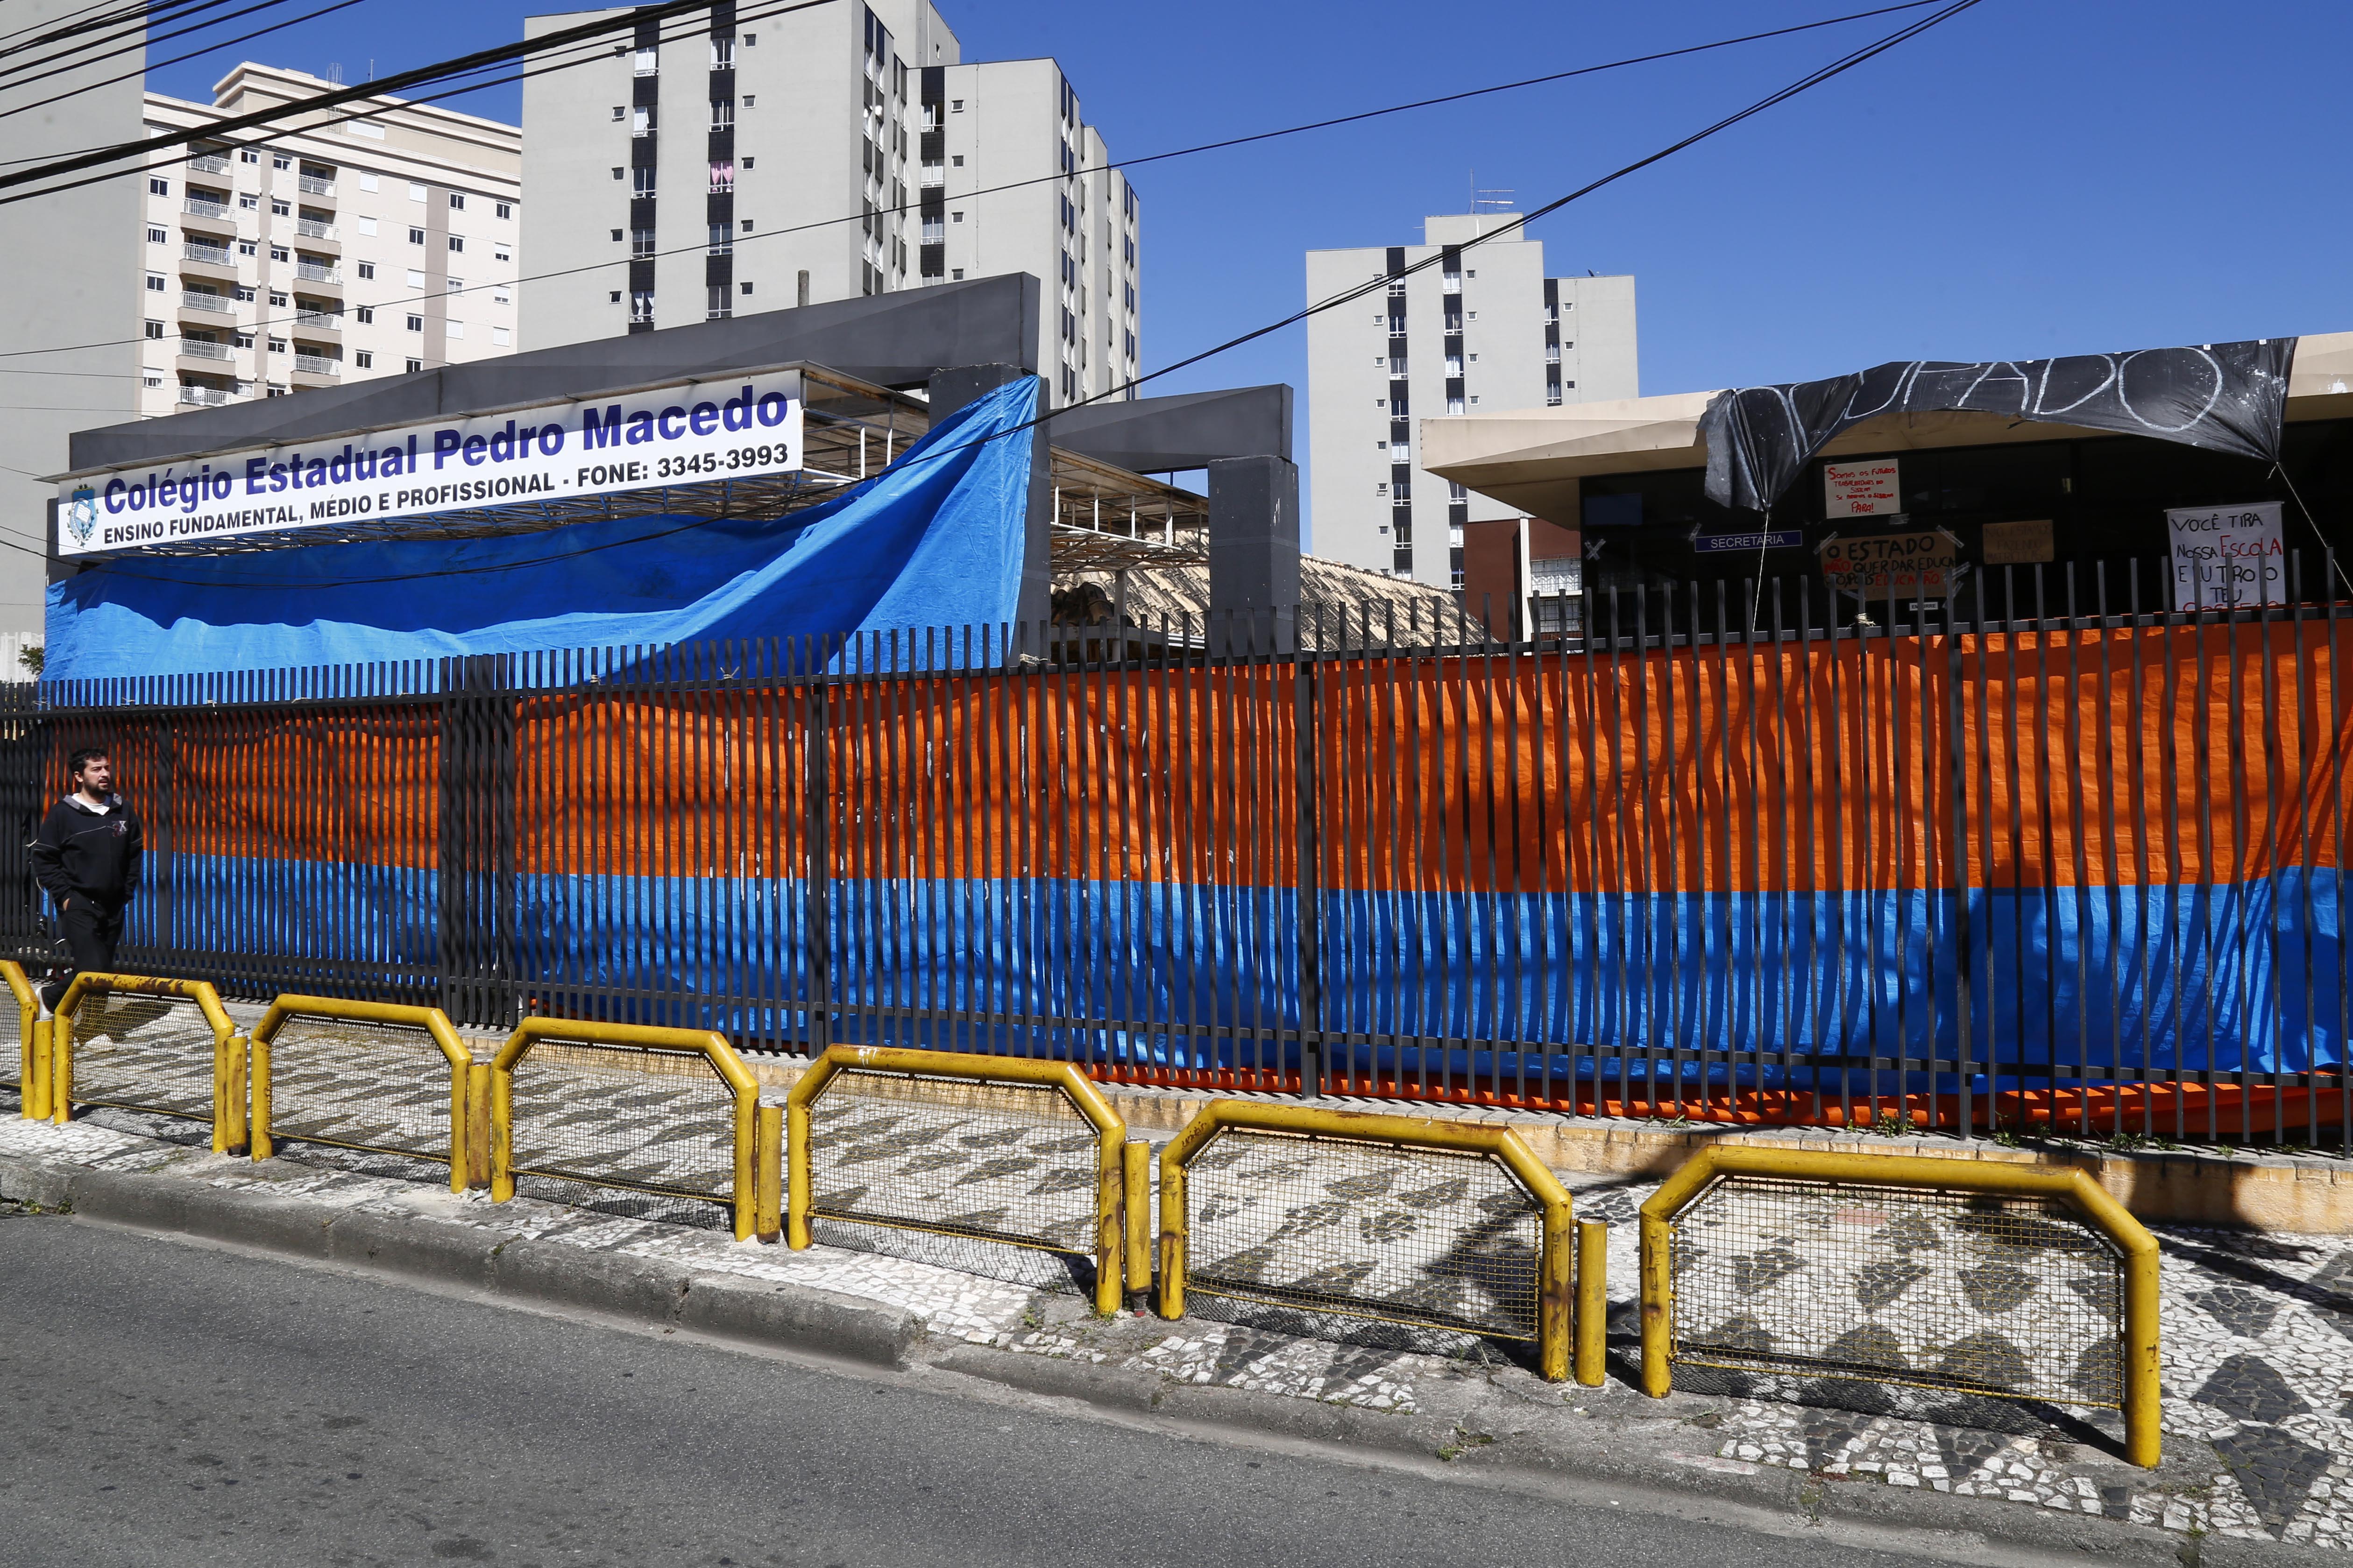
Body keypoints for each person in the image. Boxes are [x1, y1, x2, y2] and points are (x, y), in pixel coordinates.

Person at [28, 746, 143, 1017]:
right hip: (79, 904)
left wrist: (126, 892)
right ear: (79, 776)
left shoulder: (122, 810)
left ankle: (92, 1028)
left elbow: (134, 854)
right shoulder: (63, 814)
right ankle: (50, 996)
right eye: (96, 769)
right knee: (93, 968)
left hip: (114, 904)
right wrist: (67, 897)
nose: (105, 774)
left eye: (106, 768)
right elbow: (44, 859)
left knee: (103, 971)